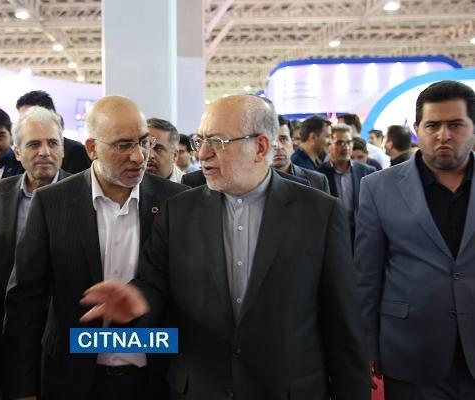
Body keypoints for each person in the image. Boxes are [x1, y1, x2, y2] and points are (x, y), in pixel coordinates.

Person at [80, 95, 369, 399]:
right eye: (200, 141)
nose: (202, 153)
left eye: (217, 142)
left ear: (260, 147)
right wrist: (137, 301)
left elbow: (343, 329)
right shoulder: (177, 212)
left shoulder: (319, 214)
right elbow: (155, 285)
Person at [3, 96, 187, 400]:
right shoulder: (51, 203)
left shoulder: (176, 202)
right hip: (71, 380)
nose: (139, 156)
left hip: (154, 380)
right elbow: (25, 301)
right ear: (92, 149)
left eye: (144, 142)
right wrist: (22, 389)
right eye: (123, 145)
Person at [355, 80, 475, 400]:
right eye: (433, 125)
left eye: (455, 125)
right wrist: (367, 345)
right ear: (417, 129)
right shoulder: (378, 188)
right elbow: (366, 275)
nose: (443, 135)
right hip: (410, 349)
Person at [0, 106, 71, 298]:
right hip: (7, 307)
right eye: (34, 144)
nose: (44, 152)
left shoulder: (82, 192)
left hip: (62, 308)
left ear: (62, 149)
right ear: (17, 152)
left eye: (53, 143)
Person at [317, 124, 376, 239]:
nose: (345, 147)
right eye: (339, 143)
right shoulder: (319, 175)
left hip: (362, 235)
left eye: (349, 142)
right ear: (329, 145)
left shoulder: (367, 172)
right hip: (333, 236)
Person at [16, 90, 92, 174]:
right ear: (17, 153)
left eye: (30, 116)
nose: (44, 152)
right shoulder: (22, 153)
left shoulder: (76, 151)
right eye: (22, 118)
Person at [273, 115, 330, 193]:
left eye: (283, 139)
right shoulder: (256, 183)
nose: (279, 146)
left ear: (292, 141)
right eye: (272, 140)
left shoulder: (318, 181)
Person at [146, 117, 184, 183]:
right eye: (145, 146)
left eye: (158, 149)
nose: (149, 155)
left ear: (174, 155)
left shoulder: (187, 185)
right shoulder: (128, 182)